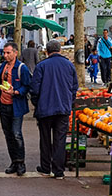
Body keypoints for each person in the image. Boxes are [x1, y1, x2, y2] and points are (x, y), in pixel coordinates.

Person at [30, 39, 79, 179]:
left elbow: (35, 88)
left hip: (45, 108)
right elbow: (74, 87)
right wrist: (69, 102)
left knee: (45, 139)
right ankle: (58, 170)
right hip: (63, 108)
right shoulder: (69, 66)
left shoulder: (42, 66)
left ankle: (45, 167)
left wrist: (37, 103)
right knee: (60, 139)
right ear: (60, 50)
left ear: (47, 51)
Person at [0, 42, 31, 176]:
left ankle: (21, 162)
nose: (5, 55)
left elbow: (27, 86)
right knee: (8, 134)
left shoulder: (22, 68)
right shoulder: (3, 66)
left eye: (8, 52)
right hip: (4, 105)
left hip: (16, 107)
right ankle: (14, 161)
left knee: (16, 134)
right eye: (4, 52)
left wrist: (15, 92)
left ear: (15, 53)